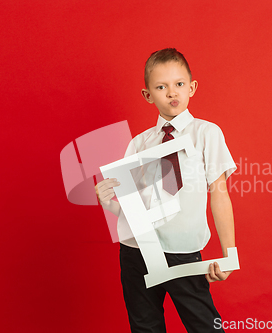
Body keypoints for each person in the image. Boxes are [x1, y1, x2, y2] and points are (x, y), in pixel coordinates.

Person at [95, 48, 236, 333]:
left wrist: (228, 254)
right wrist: (108, 202)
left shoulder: (206, 134)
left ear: (192, 88)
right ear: (148, 95)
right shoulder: (140, 143)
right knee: (145, 326)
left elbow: (219, 193)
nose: (172, 92)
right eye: (161, 87)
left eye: (179, 84)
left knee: (205, 326)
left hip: (182, 251)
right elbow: (130, 206)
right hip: (137, 251)